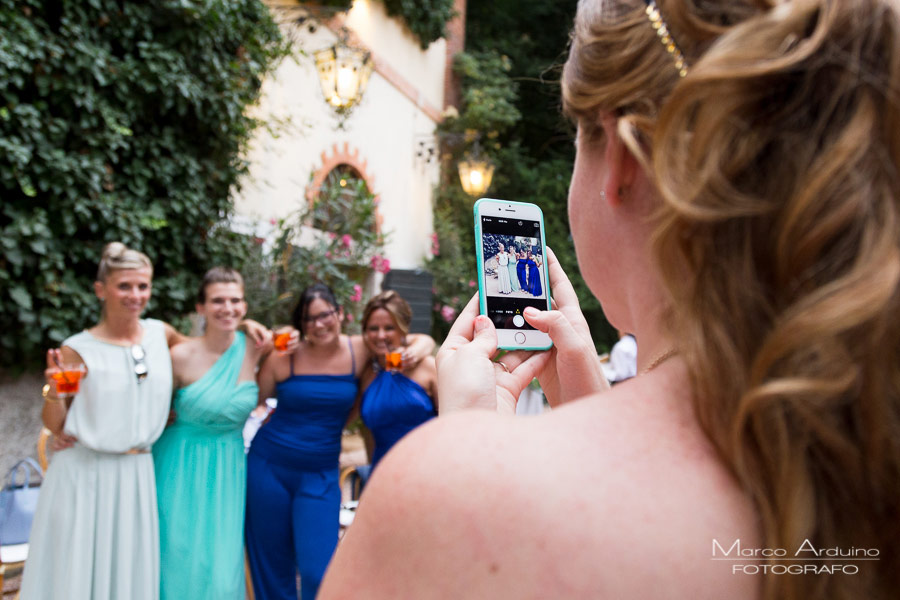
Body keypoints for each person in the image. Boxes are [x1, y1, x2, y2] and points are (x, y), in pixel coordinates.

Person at [320, 1, 900, 598]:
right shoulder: (866, 445)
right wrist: (588, 414)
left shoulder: (454, 492)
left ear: (622, 158)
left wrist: (467, 459)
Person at [21, 243, 268, 599]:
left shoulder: (160, 334)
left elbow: (209, 347)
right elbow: (57, 424)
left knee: (130, 576)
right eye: (124, 286)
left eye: (142, 286)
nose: (135, 295)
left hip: (138, 473)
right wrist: (52, 391)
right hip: (86, 473)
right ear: (100, 290)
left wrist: (242, 322)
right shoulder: (78, 347)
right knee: (77, 574)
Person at [245, 283, 435, 600]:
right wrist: (259, 339)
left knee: (319, 571)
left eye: (325, 315)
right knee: (272, 568)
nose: (318, 324)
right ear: (300, 324)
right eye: (308, 319)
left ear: (339, 314)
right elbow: (251, 399)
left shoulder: (359, 349)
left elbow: (399, 337)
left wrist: (425, 343)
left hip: (320, 472)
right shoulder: (284, 355)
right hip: (269, 466)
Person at [152, 267, 280, 599]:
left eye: (235, 300)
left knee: (221, 570)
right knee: (175, 558)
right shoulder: (179, 356)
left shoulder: (255, 347)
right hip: (176, 467)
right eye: (217, 301)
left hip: (227, 468)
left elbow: (295, 337)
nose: (228, 308)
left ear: (245, 307)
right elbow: (148, 411)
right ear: (201, 308)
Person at [359, 291, 438, 470]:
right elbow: (369, 437)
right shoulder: (367, 375)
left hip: (427, 470)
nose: (380, 335)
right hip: (382, 472)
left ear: (403, 329)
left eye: (389, 328)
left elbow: (452, 424)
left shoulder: (427, 367)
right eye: (373, 328)